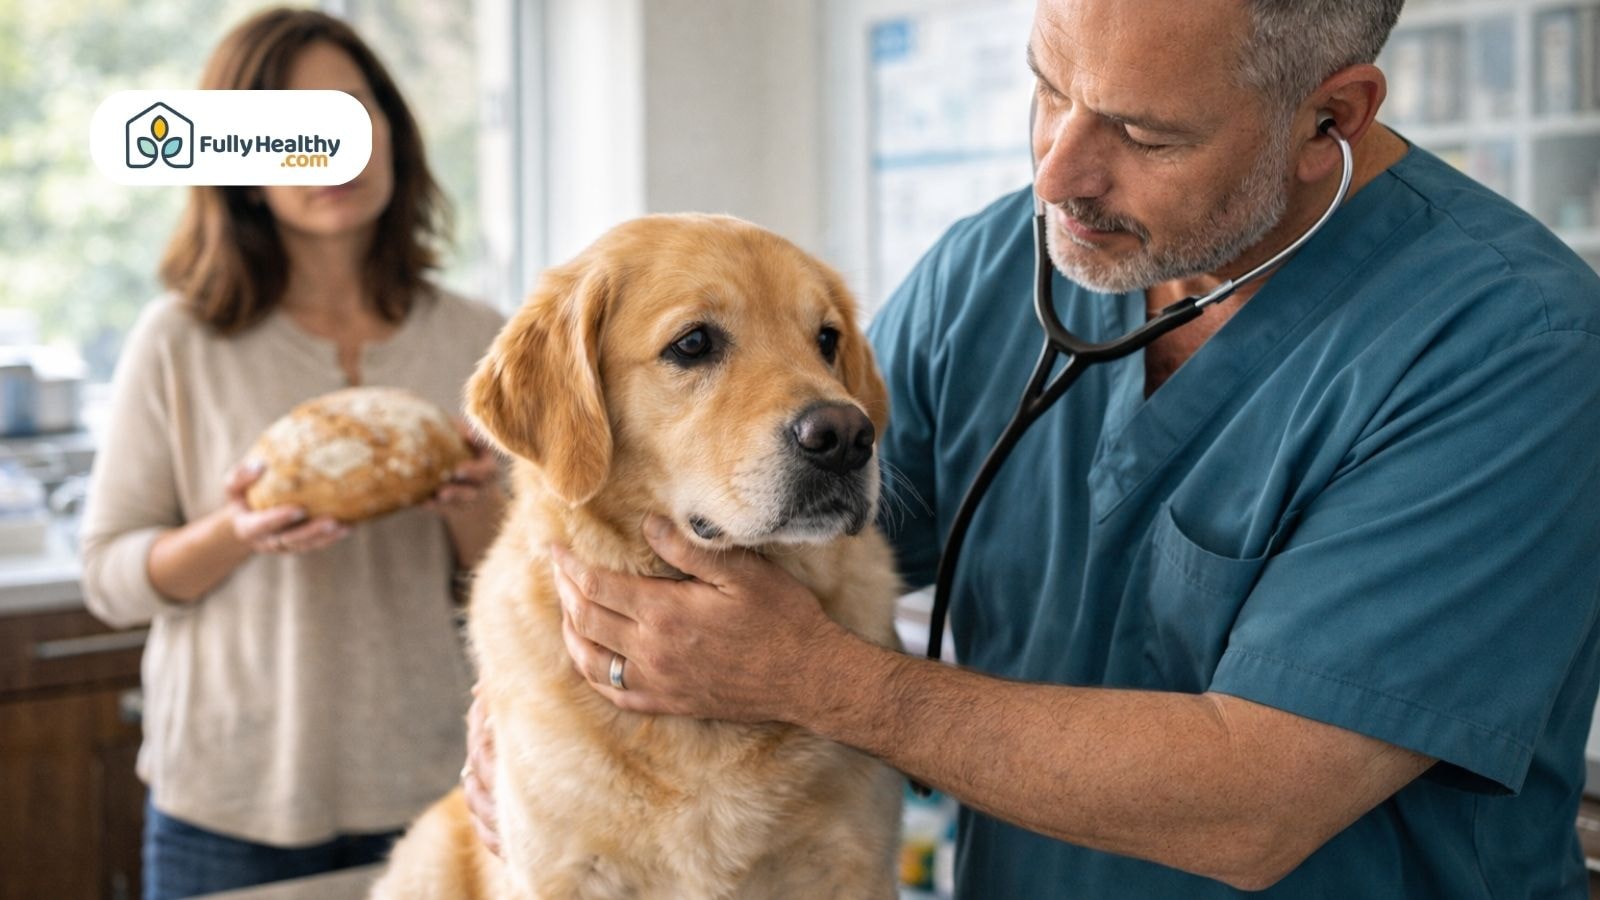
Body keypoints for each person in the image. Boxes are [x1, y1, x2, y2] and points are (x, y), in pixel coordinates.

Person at [464, 0, 1600, 896]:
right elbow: (767, 525)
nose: (1057, 175)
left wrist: (829, 685)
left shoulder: (1511, 346)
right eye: (1048, 90)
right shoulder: (998, 269)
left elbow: (1256, 803)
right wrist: (539, 719)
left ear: (1330, 120)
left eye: (1143, 132)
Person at [79, 8, 507, 898]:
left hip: (440, 786)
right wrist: (236, 531)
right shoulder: (181, 340)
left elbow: (526, 585)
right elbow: (111, 580)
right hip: (228, 806)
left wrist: (471, 505)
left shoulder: (480, 340)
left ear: (390, 127)